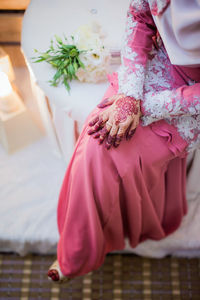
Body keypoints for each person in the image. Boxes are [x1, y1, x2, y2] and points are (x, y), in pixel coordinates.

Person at [48, 0, 200, 282]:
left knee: (125, 158)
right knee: (96, 142)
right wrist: (130, 94)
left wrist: (148, 106)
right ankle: (77, 250)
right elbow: (140, 16)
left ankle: (103, 239)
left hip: (189, 101)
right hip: (159, 66)